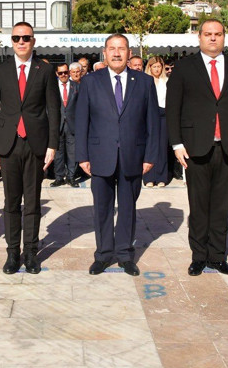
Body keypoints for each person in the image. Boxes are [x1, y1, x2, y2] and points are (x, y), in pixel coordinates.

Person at [166, 19, 228, 277]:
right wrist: (177, 144)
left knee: (221, 205)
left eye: (218, 34)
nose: (213, 39)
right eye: (208, 34)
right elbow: (173, 108)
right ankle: (198, 256)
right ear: (199, 37)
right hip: (195, 147)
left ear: (224, 37)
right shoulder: (185, 67)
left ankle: (217, 257)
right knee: (198, 205)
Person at [76, 34, 159, 277]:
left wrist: (150, 156)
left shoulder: (143, 82)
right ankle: (102, 255)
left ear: (128, 52)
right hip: (100, 155)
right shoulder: (91, 81)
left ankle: (125, 255)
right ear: (104, 53)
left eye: (121, 49)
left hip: (133, 156)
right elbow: (82, 121)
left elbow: (152, 122)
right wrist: (82, 155)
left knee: (127, 208)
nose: (116, 53)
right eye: (111, 49)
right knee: (101, 208)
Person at [0, 21, 60, 275]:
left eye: (26, 37)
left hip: (36, 143)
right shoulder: (1, 71)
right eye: (16, 37)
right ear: (11, 41)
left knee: (33, 202)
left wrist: (52, 144)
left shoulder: (45, 70)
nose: (21, 42)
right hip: (8, 143)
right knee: (11, 201)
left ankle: (30, 252)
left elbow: (54, 110)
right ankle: (12, 252)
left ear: (33, 41)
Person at [52, 63, 80, 188]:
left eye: (65, 72)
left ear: (68, 72)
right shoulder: (52, 87)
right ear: (57, 74)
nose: (63, 75)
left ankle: (71, 177)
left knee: (72, 153)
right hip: (57, 125)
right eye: (60, 73)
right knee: (58, 153)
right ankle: (59, 177)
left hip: (73, 124)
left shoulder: (76, 86)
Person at [143, 56, 168, 187]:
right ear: (150, 67)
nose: (157, 69)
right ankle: (148, 178)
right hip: (148, 115)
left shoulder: (166, 81)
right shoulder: (145, 81)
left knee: (162, 147)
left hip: (163, 115)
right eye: (154, 66)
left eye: (159, 66)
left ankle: (161, 177)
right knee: (149, 145)